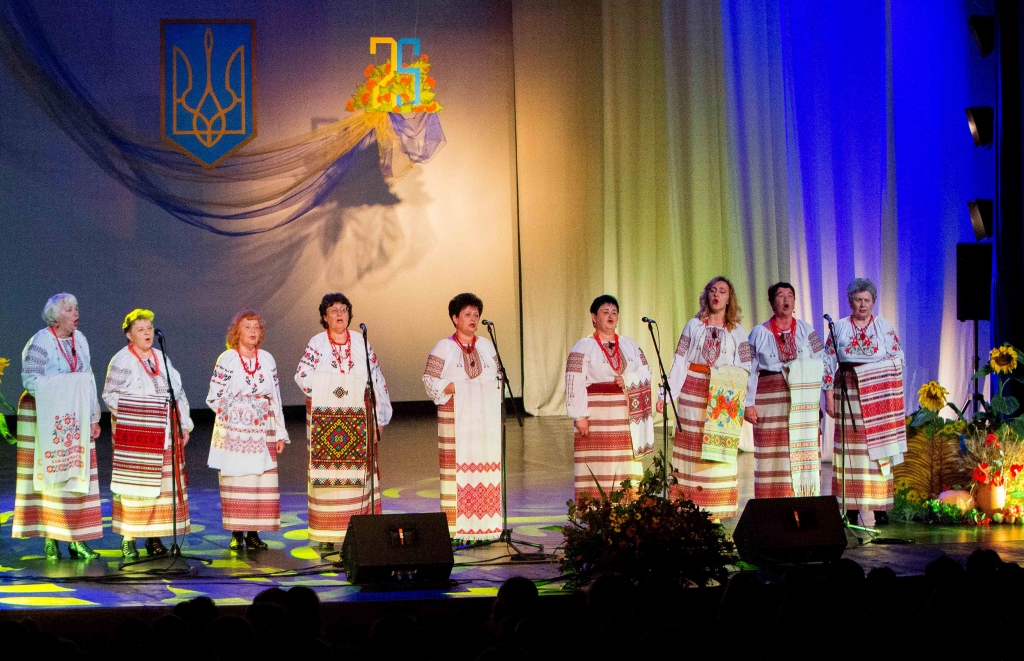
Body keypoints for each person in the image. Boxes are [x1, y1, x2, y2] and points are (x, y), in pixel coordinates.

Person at [294, 293, 392, 552]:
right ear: (324, 316)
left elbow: (376, 380)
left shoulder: (362, 342)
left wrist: (379, 417)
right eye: (333, 309)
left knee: (358, 475)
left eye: (343, 309)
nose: (339, 313)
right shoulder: (317, 343)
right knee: (329, 475)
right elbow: (302, 376)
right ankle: (327, 531)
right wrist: (334, 386)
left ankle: (360, 528)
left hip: (359, 416)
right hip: (326, 420)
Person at [11, 293, 102, 560]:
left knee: (78, 478)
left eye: (77, 308)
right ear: (56, 315)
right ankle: (52, 537)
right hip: (49, 419)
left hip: (76, 418)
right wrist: (62, 390)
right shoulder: (42, 341)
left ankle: (77, 539)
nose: (76, 313)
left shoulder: (81, 340)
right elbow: (30, 379)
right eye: (70, 309)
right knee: (52, 478)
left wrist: (94, 415)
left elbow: (88, 378)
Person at [658, 277, 751, 520]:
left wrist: (746, 402)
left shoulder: (738, 332)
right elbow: (680, 361)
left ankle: (714, 513)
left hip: (723, 396)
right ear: (707, 295)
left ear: (730, 298)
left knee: (717, 452)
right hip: (694, 391)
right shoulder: (693, 326)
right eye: (713, 290)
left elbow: (746, 367)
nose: (717, 295)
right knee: (693, 448)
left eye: (722, 291)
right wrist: (666, 395)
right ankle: (688, 508)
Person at [102, 309, 192, 558]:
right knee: (136, 489)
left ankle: (154, 538)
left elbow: (178, 392)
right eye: (141, 330)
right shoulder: (122, 360)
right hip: (137, 436)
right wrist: (140, 412)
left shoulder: (161, 358)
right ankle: (128, 539)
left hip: (163, 433)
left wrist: (184, 424)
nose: (148, 333)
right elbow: (110, 395)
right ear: (129, 335)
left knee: (161, 489)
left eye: (150, 328)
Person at [823, 277, 906, 526]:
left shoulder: (884, 327)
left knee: (876, 450)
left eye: (867, 300)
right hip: (847, 390)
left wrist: (874, 373)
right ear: (850, 302)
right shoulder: (838, 328)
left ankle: (879, 507)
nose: (862, 304)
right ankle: (849, 506)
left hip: (877, 395)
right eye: (858, 300)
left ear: (873, 302)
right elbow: (827, 363)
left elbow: (898, 357)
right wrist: (828, 396)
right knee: (849, 450)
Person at [423, 293, 503, 541]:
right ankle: (455, 528)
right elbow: (429, 381)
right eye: (467, 314)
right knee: (456, 470)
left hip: (484, 418)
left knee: (485, 468)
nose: (473, 319)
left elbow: (499, 377)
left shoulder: (487, 346)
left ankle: (486, 527)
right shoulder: (444, 347)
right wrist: (457, 388)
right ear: (454, 318)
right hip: (455, 416)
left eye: (476, 315)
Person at [206, 310, 289, 551]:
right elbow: (214, 397)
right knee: (237, 481)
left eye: (256, 328)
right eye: (247, 328)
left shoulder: (267, 359)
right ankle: (236, 532)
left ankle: (253, 533)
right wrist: (240, 411)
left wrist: (281, 433)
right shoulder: (227, 359)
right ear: (237, 333)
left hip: (263, 428)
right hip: (235, 430)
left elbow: (276, 397)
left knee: (259, 482)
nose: (253, 332)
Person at [565, 295, 655, 500]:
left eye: (614, 312)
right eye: (605, 312)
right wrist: (579, 416)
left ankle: (625, 507)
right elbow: (574, 381)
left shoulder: (629, 345)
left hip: (624, 417)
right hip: (596, 414)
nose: (610, 316)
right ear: (594, 317)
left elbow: (646, 371)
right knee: (597, 463)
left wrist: (629, 379)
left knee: (623, 463)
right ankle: (595, 510)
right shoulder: (583, 346)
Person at [744, 282, 826, 498]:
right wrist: (748, 404)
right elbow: (748, 369)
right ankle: (770, 501)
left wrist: (819, 398)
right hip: (769, 398)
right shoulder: (759, 333)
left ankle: (799, 498)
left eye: (790, 295)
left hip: (801, 401)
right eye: (780, 296)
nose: (786, 299)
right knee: (772, 451)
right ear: (772, 303)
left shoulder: (807, 330)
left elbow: (822, 362)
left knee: (798, 448)